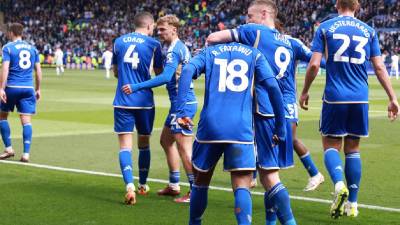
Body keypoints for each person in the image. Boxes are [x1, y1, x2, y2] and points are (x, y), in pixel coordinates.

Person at [299, 0, 399, 219]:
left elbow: (315, 65)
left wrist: (305, 91)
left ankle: (338, 185)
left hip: (335, 97)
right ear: (358, 7)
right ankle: (353, 204)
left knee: (331, 146)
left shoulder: (325, 28)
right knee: (353, 150)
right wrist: (392, 97)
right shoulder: (369, 31)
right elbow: (380, 67)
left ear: (337, 5)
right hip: (360, 98)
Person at [206, 1, 299, 224]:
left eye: (249, 15)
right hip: (282, 111)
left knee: (257, 175)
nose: (246, 20)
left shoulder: (252, 31)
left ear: (264, 14)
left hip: (259, 109)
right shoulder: (287, 41)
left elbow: (213, 38)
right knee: (269, 172)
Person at [175, 42, 286, 225]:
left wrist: (181, 112)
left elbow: (186, 71)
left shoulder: (208, 52)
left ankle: (194, 223)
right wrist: (280, 126)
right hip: (240, 128)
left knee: (200, 182)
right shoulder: (254, 53)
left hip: (210, 127)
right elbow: (273, 88)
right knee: (242, 186)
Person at [122, 14, 196, 203]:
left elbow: (165, 77)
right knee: (165, 141)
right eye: (158, 29)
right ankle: (174, 185)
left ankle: (196, 190)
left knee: (184, 148)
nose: (159, 33)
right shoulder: (178, 47)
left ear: (174, 29)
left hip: (183, 105)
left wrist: (137, 86)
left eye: (163, 29)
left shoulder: (174, 51)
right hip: (178, 104)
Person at [112, 12, 163, 205]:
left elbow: (116, 72)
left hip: (122, 100)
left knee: (125, 146)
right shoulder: (154, 45)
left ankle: (129, 187)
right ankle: (142, 184)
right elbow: (159, 75)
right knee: (144, 143)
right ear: (150, 26)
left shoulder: (118, 42)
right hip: (144, 102)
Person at [0, 22, 42, 163]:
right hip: (28, 88)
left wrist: (1, 88)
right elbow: (38, 72)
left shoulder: (8, 48)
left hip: (11, 87)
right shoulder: (33, 49)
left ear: (11, 33)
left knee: (2, 117)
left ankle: (9, 148)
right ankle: (26, 154)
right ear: (22, 33)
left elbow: (5, 69)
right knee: (26, 122)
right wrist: (38, 88)